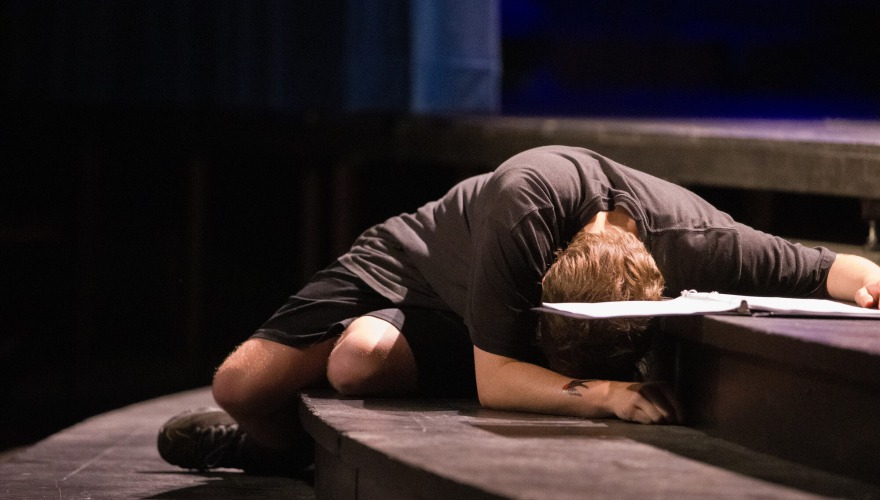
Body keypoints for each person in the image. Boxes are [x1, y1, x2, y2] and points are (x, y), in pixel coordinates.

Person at [157, 145, 880, 475]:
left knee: (357, 363)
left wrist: (870, 286)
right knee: (240, 390)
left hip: (474, 319)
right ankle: (271, 451)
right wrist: (601, 396)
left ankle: (301, 456)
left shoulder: (698, 240)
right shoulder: (523, 208)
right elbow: (500, 381)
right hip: (416, 263)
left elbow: (835, 270)